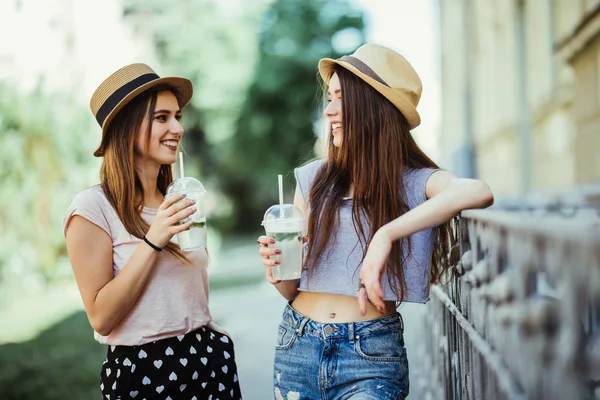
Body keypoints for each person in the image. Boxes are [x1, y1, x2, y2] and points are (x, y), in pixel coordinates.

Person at [257, 44, 494, 399]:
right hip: (298, 346)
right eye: (329, 97)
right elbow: (293, 289)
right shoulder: (313, 180)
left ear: (370, 106)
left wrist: (386, 233)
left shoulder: (415, 181)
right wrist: (277, 272)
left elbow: (478, 191)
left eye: (339, 97)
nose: (328, 109)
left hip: (369, 355)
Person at [63, 64, 242, 399]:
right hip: (145, 372)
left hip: (207, 361)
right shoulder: (92, 209)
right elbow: (101, 317)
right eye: (162, 117)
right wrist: (153, 240)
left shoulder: (178, 200)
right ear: (128, 128)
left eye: (177, 116)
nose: (177, 127)